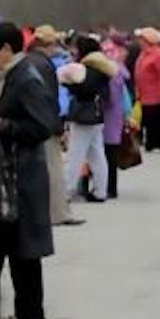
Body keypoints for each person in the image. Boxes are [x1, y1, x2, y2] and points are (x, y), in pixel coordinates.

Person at [0, 23, 55, 319]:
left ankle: (27, 317)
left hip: (19, 179)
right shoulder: (5, 77)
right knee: (4, 252)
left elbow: (43, 126)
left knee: (22, 253)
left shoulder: (25, 79)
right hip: (3, 177)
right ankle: (2, 316)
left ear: (7, 49)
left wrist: (2, 125)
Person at [26, 25, 82, 226]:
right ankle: (59, 213)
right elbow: (50, 99)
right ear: (49, 45)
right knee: (54, 169)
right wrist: (59, 126)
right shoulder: (46, 65)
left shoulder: (28, 61)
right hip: (46, 123)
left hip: (31, 122)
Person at [61, 35, 118, 203]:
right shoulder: (102, 68)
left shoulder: (87, 68)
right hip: (97, 115)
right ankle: (101, 190)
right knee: (97, 155)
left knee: (75, 155)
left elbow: (83, 90)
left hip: (83, 116)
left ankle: (66, 191)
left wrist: (69, 85)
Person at [101, 35, 131, 199]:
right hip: (117, 117)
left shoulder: (111, 77)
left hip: (108, 118)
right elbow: (125, 99)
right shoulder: (120, 73)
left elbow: (111, 99)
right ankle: (112, 187)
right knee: (111, 153)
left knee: (107, 154)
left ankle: (109, 187)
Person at [133, 27, 160, 152]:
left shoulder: (158, 54)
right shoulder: (143, 53)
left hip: (155, 92)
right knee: (147, 118)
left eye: (141, 39)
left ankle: (157, 143)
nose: (139, 42)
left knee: (155, 118)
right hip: (143, 91)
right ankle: (150, 142)